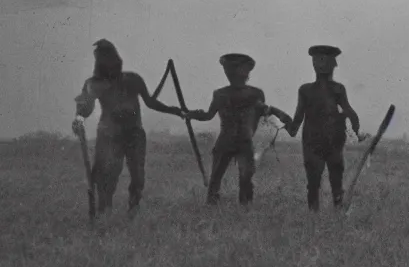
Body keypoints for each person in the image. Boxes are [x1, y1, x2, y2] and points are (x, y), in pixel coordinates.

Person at [72, 39, 184, 215]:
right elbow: (86, 107)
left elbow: (151, 102)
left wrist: (176, 111)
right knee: (108, 174)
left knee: (138, 176)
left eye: (111, 59)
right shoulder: (93, 84)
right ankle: (104, 210)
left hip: (134, 134)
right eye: (104, 60)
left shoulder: (133, 79)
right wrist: (79, 117)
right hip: (109, 135)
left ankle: (133, 209)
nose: (109, 64)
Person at [184, 53, 292, 206]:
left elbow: (264, 110)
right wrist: (191, 114)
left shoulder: (254, 94)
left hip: (243, 142)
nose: (233, 74)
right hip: (226, 142)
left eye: (238, 69)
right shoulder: (221, 94)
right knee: (216, 176)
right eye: (230, 70)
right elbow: (208, 115)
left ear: (247, 72)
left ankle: (245, 207)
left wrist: (279, 115)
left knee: (245, 177)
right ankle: (213, 205)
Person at [285, 45, 368, 211]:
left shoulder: (318, 90)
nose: (322, 64)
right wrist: (357, 131)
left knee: (321, 183)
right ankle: (328, 216)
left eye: (324, 59)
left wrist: (356, 130)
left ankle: (323, 216)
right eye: (319, 59)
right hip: (323, 142)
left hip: (326, 143)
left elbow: (295, 124)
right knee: (322, 183)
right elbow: (350, 113)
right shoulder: (323, 89)